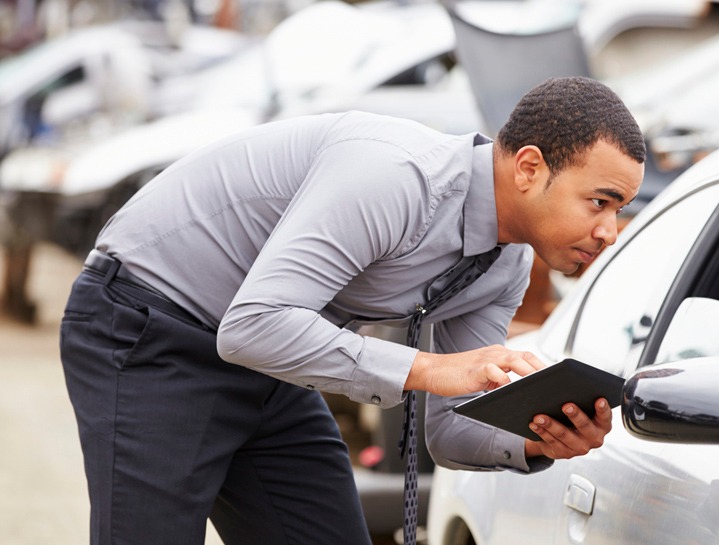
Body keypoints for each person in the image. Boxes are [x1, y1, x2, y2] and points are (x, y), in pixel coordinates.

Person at [59, 76, 646, 545]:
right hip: (149, 324)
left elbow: (448, 430)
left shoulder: (505, 264)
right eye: (600, 202)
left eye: (619, 209)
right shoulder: (397, 177)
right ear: (529, 168)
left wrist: (537, 439)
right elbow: (250, 326)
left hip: (273, 357)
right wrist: (431, 368)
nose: (610, 230)